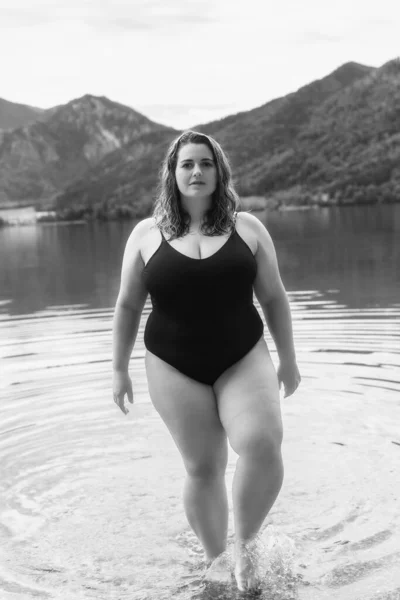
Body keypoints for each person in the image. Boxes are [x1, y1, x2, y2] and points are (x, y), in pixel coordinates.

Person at [112, 130, 301, 592]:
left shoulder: (249, 228)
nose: (196, 171)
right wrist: (118, 368)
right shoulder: (145, 234)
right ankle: (216, 562)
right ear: (173, 175)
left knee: (262, 444)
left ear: (219, 172)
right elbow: (127, 306)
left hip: (242, 355)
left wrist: (289, 359)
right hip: (173, 364)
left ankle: (244, 551)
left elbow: (274, 299)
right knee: (203, 466)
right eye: (187, 164)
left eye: (206, 163)